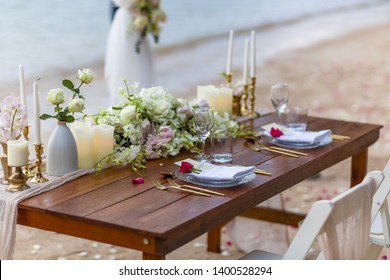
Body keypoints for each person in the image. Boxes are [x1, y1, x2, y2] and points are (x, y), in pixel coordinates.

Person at [105, 0, 154, 105]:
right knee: (122, 60)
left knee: (140, 60)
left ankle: (144, 99)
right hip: (125, 20)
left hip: (136, 19)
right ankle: (123, 101)